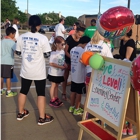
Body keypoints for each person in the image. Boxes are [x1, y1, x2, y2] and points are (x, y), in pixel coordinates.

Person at [16, 15, 54, 125]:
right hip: (39, 72)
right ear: (39, 25)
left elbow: (18, 53)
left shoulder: (21, 37)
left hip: (26, 70)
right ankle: (42, 118)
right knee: (40, 93)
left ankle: (20, 113)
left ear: (28, 24)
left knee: (23, 91)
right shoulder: (43, 38)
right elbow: (47, 54)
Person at [62, 24, 86, 100]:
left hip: (76, 61)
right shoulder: (69, 38)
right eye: (79, 34)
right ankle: (64, 92)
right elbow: (65, 51)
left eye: (81, 35)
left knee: (75, 78)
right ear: (76, 32)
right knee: (65, 77)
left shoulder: (81, 40)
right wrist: (72, 58)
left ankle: (73, 92)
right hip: (69, 59)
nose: (79, 36)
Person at [69, 36, 90, 115]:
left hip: (74, 74)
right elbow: (84, 62)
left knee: (73, 91)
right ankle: (77, 108)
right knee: (79, 93)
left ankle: (72, 106)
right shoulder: (83, 51)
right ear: (85, 43)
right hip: (80, 75)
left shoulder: (72, 49)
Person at [47, 36, 67, 107]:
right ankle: (52, 99)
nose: (63, 46)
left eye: (64, 44)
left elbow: (63, 60)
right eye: (62, 44)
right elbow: (51, 63)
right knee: (53, 85)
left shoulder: (62, 52)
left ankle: (56, 97)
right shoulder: (54, 53)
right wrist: (60, 66)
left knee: (57, 85)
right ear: (57, 44)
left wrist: (65, 64)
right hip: (53, 72)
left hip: (60, 73)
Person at [1, 27, 17, 97]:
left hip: (0, 61)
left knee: (0, 76)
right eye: (14, 34)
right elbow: (16, 51)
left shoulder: (1, 41)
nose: (14, 35)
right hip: (8, 62)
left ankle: (1, 90)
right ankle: (8, 91)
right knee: (8, 77)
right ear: (11, 34)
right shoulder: (12, 42)